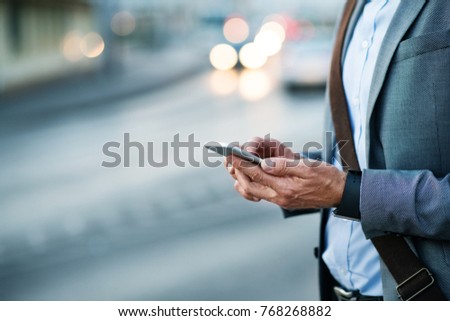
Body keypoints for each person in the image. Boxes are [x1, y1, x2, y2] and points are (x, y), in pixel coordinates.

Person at [225, 0, 450, 301]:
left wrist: (348, 193)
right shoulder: (353, 8)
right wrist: (295, 171)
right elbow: (362, 155)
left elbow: (351, 188)